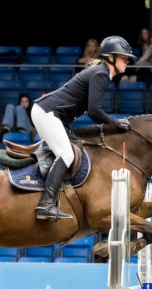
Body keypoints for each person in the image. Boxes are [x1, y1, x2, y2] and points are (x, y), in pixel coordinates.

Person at [31, 36, 134, 220]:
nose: (127, 61)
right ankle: (45, 204)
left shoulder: (101, 73)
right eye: (124, 57)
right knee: (67, 154)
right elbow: (94, 112)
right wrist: (116, 123)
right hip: (47, 113)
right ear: (111, 57)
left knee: (75, 148)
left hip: (53, 115)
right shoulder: (101, 74)